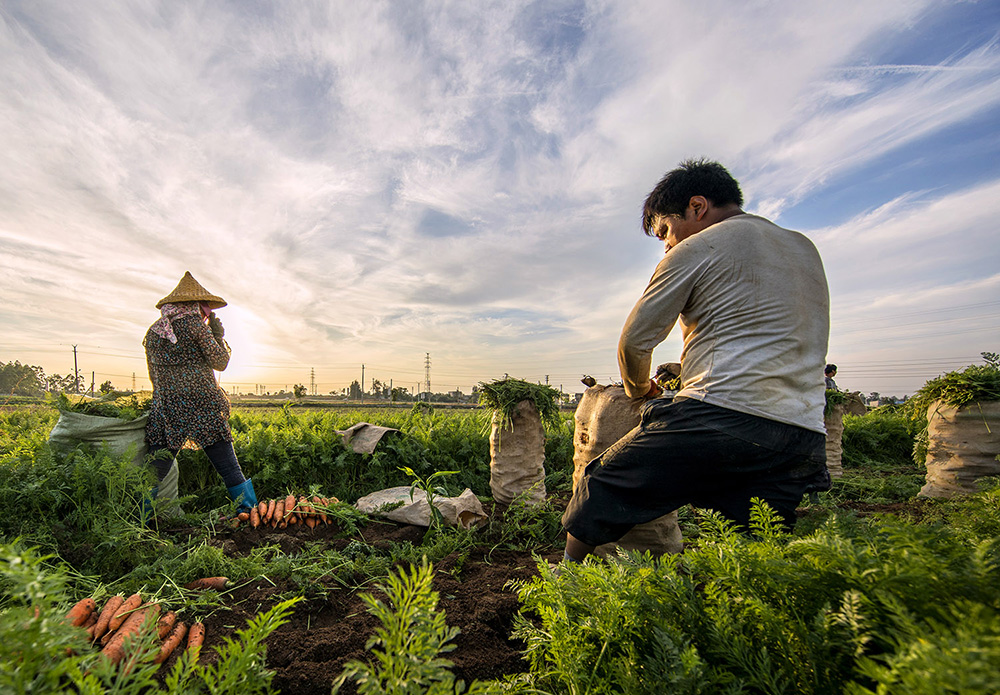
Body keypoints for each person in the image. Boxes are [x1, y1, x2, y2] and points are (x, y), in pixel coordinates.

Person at [562, 159, 831, 563]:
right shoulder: (801, 247)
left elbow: (634, 343)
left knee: (602, 482)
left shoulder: (699, 245)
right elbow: (765, 338)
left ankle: (564, 584)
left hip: (721, 417)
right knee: (756, 543)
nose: (667, 244)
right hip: (802, 434)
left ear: (697, 207)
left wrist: (642, 390)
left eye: (665, 231)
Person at [143, 271, 257, 517]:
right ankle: (248, 514)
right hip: (203, 409)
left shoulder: (154, 332)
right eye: (206, 308)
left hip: (167, 410)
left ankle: (139, 522)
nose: (208, 313)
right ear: (194, 306)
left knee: (154, 471)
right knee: (228, 467)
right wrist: (218, 335)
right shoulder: (196, 327)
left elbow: (153, 376)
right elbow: (221, 362)